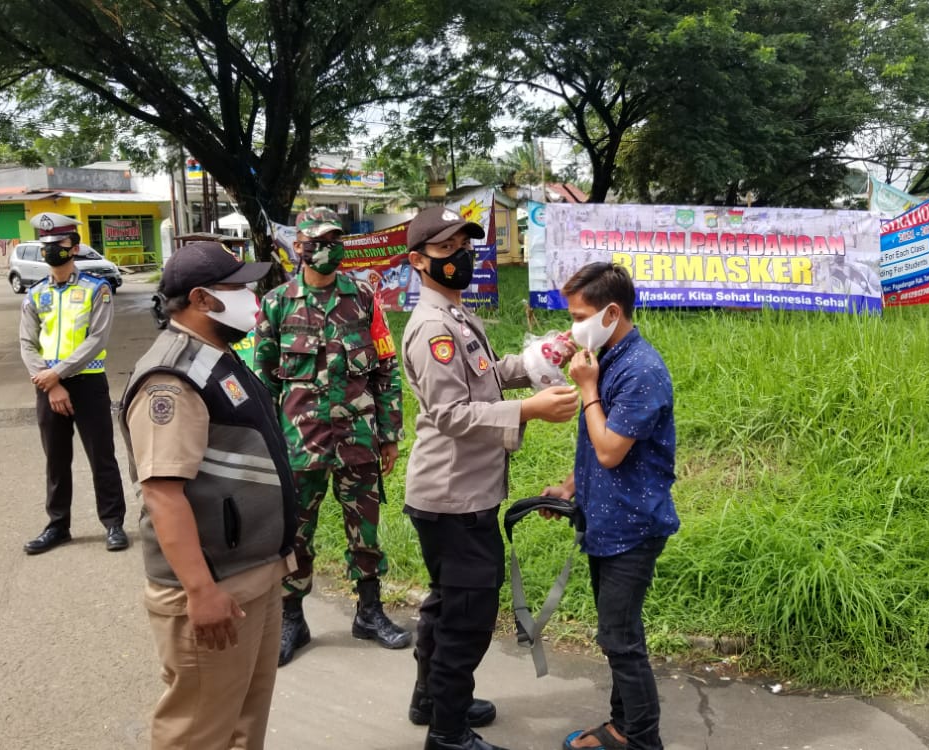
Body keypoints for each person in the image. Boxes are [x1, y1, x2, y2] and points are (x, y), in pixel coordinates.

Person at [401, 206, 581, 750]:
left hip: (459, 490)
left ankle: (432, 700)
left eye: (465, 245)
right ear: (418, 261)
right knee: (468, 615)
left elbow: (486, 377)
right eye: (446, 248)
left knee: (446, 603)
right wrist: (530, 410)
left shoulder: (456, 315)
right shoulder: (433, 327)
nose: (461, 256)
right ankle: (448, 733)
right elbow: (451, 413)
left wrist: (537, 360)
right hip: (454, 496)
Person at [118, 241, 297, 750]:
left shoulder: (217, 357)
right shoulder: (171, 379)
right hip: (212, 583)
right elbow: (163, 494)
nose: (251, 297)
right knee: (198, 731)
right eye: (237, 287)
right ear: (200, 298)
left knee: (244, 721)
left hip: (252, 573)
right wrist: (200, 591)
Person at [253, 206, 410, 666]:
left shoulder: (362, 298)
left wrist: (389, 433)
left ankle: (369, 612)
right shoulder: (277, 303)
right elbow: (264, 380)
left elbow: (385, 368)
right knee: (295, 531)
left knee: (366, 528)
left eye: (335, 240)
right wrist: (268, 442)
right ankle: (292, 619)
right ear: (299, 247)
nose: (328, 249)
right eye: (318, 242)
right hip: (299, 442)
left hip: (358, 435)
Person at [542, 262, 680, 750]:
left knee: (619, 639)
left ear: (612, 313)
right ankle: (622, 728)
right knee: (617, 634)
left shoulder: (641, 370)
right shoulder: (609, 357)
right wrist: (568, 488)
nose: (573, 326)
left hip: (632, 528)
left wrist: (586, 389)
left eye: (580, 316)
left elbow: (609, 451)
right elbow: (596, 448)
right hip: (607, 520)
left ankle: (641, 739)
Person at [19, 211, 128, 555]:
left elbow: (97, 339)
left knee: (102, 456)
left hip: (88, 384)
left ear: (75, 247)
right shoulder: (35, 294)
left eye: (60, 243)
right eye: (46, 244)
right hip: (48, 388)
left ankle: (113, 523)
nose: (52, 250)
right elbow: (27, 343)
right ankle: (58, 525)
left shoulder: (97, 288)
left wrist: (58, 374)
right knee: (56, 459)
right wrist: (50, 383)